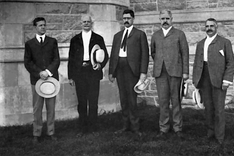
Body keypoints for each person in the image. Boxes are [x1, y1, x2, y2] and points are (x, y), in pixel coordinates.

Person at [192, 18, 234, 145]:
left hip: (218, 79)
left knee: (219, 109)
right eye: (207, 26)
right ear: (204, 28)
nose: (209, 28)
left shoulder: (224, 42)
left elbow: (231, 63)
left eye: (212, 26)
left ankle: (220, 136)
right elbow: (197, 63)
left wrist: (227, 80)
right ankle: (210, 132)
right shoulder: (200, 44)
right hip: (204, 77)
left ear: (216, 27)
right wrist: (196, 80)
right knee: (208, 107)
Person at [108, 9, 149, 137]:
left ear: (133, 19)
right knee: (123, 99)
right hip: (120, 69)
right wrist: (111, 72)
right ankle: (125, 126)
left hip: (132, 70)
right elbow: (113, 55)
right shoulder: (117, 36)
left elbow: (145, 55)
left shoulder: (139, 34)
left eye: (128, 18)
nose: (126, 20)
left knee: (132, 99)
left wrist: (143, 73)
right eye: (124, 18)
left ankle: (135, 127)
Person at [151, 10, 189, 139]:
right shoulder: (155, 35)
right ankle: (164, 127)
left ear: (172, 19)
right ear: (159, 20)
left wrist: (185, 72)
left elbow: (185, 54)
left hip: (175, 72)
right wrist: (160, 63)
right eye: (162, 18)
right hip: (160, 72)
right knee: (163, 101)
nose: (165, 21)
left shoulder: (179, 34)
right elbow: (153, 53)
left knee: (176, 101)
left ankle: (178, 128)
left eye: (167, 18)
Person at [68, 14, 109, 136]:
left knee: (93, 101)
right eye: (84, 22)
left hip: (93, 72)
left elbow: (105, 56)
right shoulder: (75, 40)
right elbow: (71, 59)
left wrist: (100, 65)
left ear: (91, 23)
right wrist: (71, 76)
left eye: (88, 22)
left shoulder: (98, 38)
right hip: (80, 73)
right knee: (81, 102)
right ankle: (82, 128)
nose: (86, 23)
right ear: (80, 23)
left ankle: (93, 128)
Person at [24, 17, 60, 143]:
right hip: (37, 81)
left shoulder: (52, 41)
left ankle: (51, 132)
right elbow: (27, 62)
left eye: (44, 25)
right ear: (35, 27)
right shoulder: (29, 44)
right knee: (37, 108)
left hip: (51, 80)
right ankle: (37, 133)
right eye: (40, 25)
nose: (43, 27)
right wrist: (39, 73)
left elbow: (56, 59)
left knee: (51, 108)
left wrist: (47, 72)